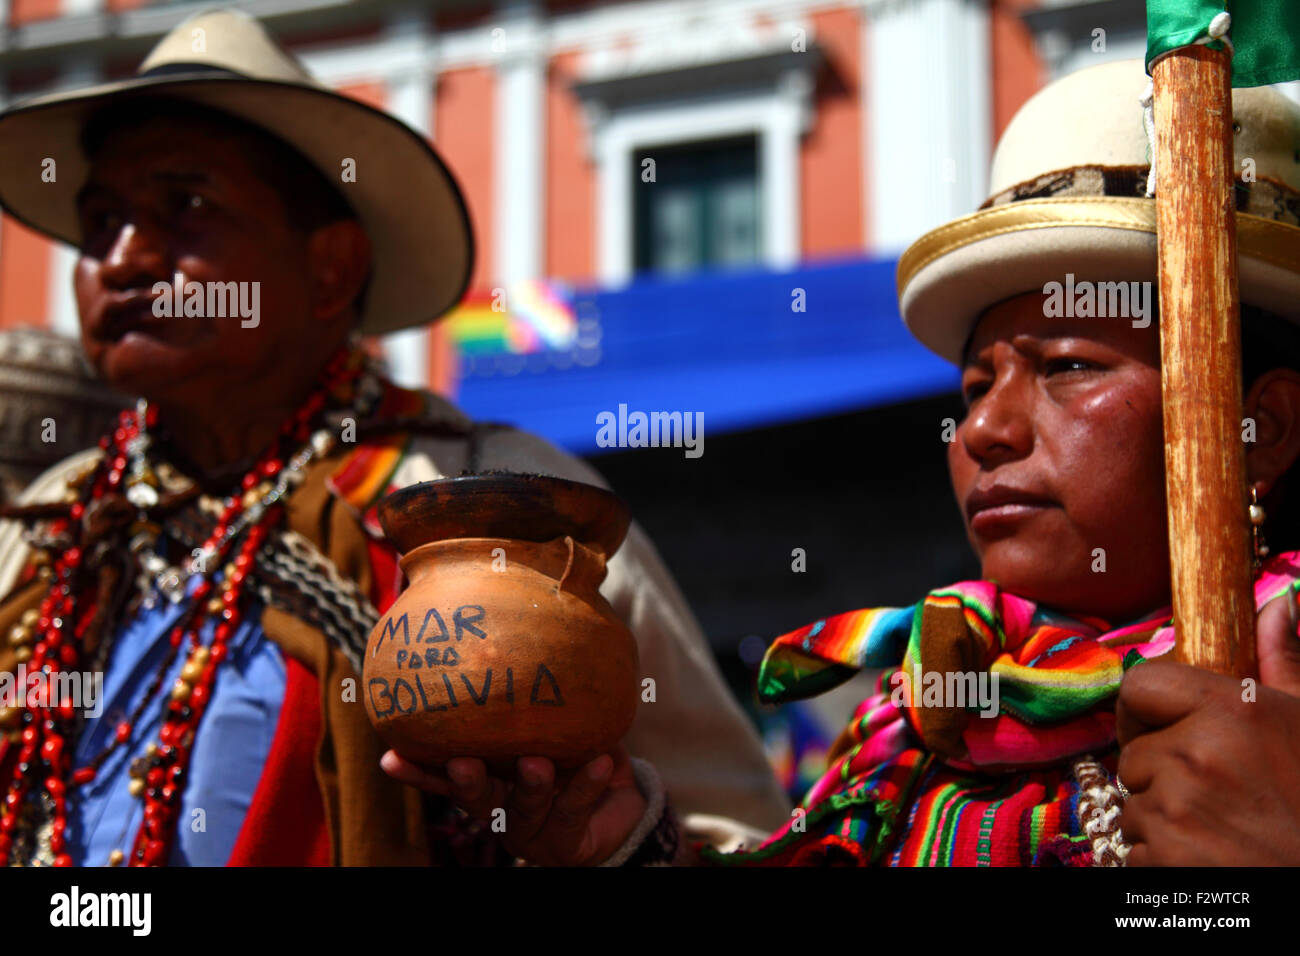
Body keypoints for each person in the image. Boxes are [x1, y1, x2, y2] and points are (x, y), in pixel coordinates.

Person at [387, 58, 1300, 866]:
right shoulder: (913, 718)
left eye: (1067, 367)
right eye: (976, 387)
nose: (986, 431)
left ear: (1262, 426)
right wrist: (618, 846)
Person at [0, 9, 788, 867]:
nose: (122, 258)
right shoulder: (52, 524)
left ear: (332, 267)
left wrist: (612, 845)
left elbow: (737, 833)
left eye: (185, 207)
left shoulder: (500, 497)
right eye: (101, 220)